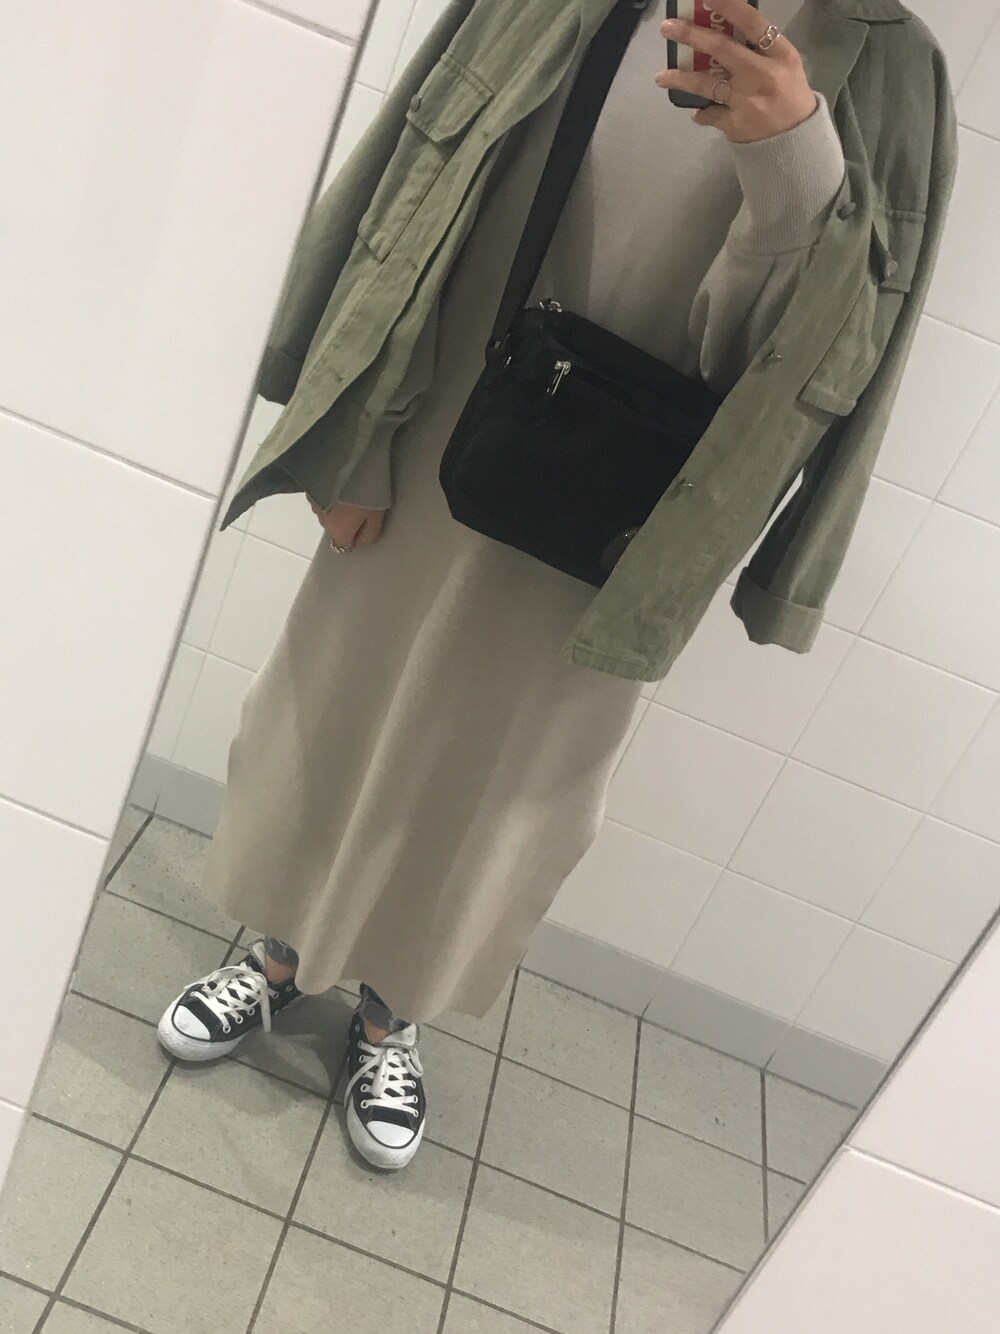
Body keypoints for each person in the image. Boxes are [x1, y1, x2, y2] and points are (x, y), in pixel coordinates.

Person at [155, 0, 945, 1171]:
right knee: (331, 698)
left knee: (505, 781)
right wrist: (359, 436)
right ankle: (276, 953)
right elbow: (420, 196)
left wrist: (792, 160)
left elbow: (816, 374)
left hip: (626, 518)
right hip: (435, 436)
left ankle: (390, 1014)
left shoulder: (893, 72)